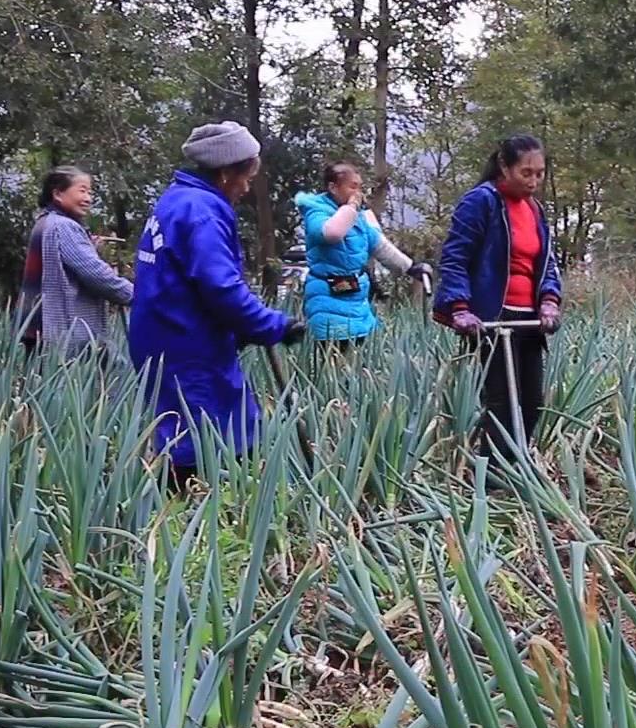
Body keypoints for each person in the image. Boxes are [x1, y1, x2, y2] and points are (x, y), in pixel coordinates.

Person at [128, 121, 306, 487]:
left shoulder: (175, 199)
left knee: (217, 425)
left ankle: (218, 511)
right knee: (198, 438)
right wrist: (272, 325)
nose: (245, 188)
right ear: (225, 173)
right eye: (245, 179)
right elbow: (220, 286)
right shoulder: (202, 210)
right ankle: (191, 520)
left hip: (165, 335)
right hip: (185, 343)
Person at [431, 135, 562, 460]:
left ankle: (516, 463)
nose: (533, 181)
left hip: (528, 318)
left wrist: (549, 299)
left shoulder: (534, 210)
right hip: (492, 316)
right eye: (526, 173)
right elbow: (455, 257)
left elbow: (546, 261)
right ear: (504, 166)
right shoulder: (481, 202)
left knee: (532, 400)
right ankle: (492, 475)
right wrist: (459, 307)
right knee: (501, 400)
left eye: (539, 173)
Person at [294, 160, 429, 347]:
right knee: (333, 357)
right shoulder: (316, 212)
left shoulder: (359, 217)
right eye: (353, 187)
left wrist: (410, 267)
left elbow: (380, 246)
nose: (358, 193)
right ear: (333, 187)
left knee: (360, 357)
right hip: (327, 301)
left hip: (356, 300)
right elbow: (332, 233)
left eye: (360, 187)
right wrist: (350, 208)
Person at [18, 166, 134, 360]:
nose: (88, 198)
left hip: (37, 327)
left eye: (90, 192)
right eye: (82, 190)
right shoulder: (63, 227)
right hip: (62, 330)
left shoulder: (46, 221)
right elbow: (95, 273)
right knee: (113, 378)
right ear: (58, 194)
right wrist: (134, 295)